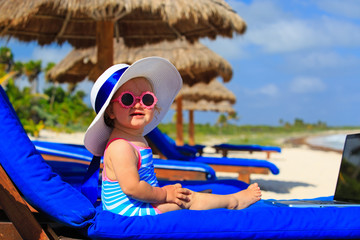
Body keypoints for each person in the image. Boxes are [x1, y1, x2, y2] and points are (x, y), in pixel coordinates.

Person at [84, 57, 261, 217]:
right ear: (110, 111)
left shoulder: (132, 139)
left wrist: (166, 194)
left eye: (146, 99)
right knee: (187, 200)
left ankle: (223, 200)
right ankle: (233, 202)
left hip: (136, 206)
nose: (138, 103)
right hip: (130, 212)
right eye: (128, 99)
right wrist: (165, 194)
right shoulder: (120, 146)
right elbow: (132, 188)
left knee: (185, 195)